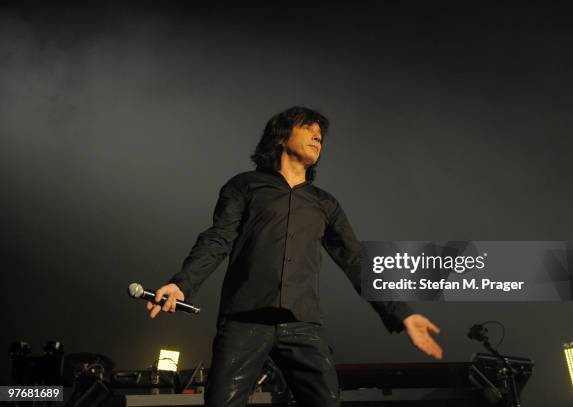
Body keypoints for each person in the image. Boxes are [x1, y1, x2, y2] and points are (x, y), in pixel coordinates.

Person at [146, 106, 443, 407]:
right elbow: (218, 238)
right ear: (280, 137)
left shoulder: (325, 203)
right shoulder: (244, 186)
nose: (318, 137)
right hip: (245, 319)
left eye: (321, 136)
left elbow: (356, 261)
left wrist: (401, 312)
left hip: (303, 323)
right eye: (309, 129)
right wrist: (182, 283)